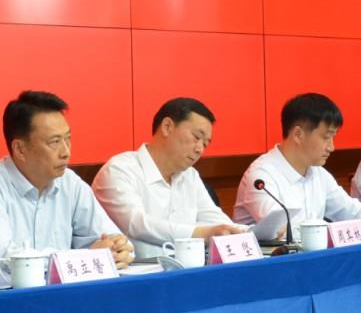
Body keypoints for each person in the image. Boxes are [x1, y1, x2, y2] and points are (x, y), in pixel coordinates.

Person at [0, 90, 133, 271]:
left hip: (60, 286)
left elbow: (108, 237)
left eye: (68, 139)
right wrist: (83, 257)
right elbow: (7, 260)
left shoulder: (70, 183)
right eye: (54, 142)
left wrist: (117, 248)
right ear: (20, 149)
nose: (66, 152)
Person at [91, 96, 249, 259]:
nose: (200, 149)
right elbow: (137, 224)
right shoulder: (120, 170)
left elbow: (215, 219)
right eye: (196, 137)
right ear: (167, 127)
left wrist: (250, 233)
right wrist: (200, 233)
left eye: (205, 144)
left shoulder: (190, 176)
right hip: (134, 270)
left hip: (186, 269)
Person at [234, 92, 361, 240]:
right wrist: (353, 230)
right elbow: (284, 231)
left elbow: (349, 210)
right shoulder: (261, 177)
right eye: (326, 137)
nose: (332, 147)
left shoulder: (318, 173)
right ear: (298, 134)